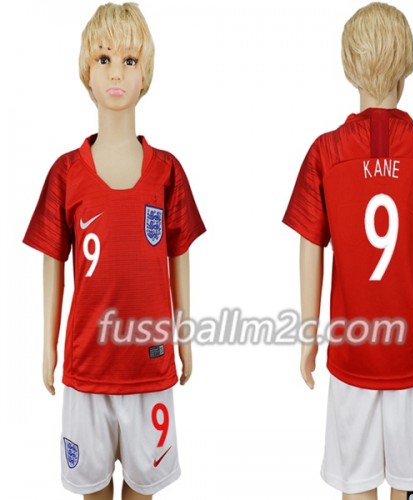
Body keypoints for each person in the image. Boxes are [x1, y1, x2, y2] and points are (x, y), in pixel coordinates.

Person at [283, 3, 413, 499]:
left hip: (353, 351)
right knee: (411, 488)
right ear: (406, 66)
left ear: (350, 66)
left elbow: (309, 246)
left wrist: (309, 334)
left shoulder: (327, 152)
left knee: (357, 487)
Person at [23, 3, 205, 499]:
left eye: (129, 60)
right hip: (87, 369)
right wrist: (48, 347)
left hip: (150, 367)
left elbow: (179, 259)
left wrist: (185, 339)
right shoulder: (66, 173)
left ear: (146, 73)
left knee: (144, 490)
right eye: (104, 59)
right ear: (87, 70)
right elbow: (53, 263)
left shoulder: (167, 171)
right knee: (93, 490)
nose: (116, 73)